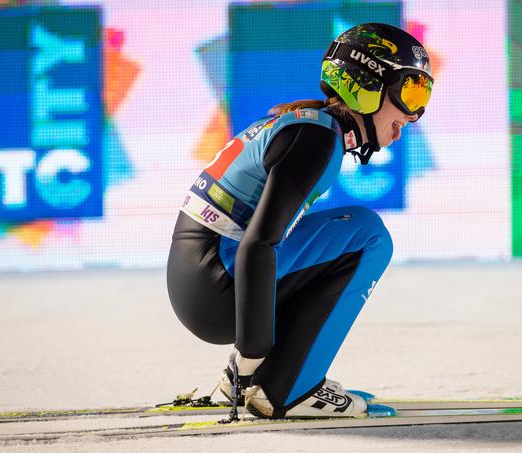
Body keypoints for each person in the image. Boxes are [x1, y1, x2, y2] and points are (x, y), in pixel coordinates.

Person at [166, 23, 433, 419]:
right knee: (368, 235)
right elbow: (260, 244)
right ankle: (289, 389)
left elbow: (262, 242)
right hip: (214, 281)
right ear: (369, 83)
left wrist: (242, 372)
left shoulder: (313, 127)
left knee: (349, 232)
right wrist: (251, 356)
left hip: (204, 274)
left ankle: (274, 381)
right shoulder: (316, 139)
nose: (415, 115)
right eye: (412, 93)